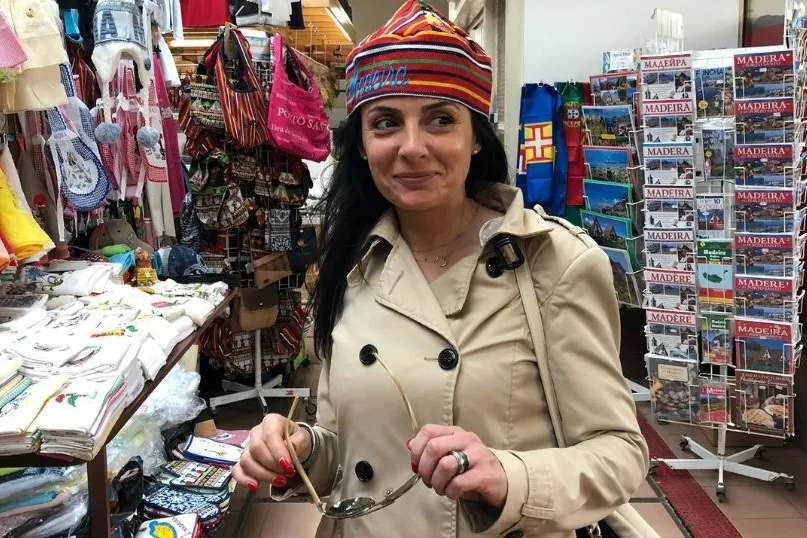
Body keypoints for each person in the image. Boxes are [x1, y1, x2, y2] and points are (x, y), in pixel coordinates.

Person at [232, 1, 650, 536]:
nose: (411, 148)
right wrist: (302, 449)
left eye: (439, 119)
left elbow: (618, 453)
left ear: (476, 135)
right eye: (386, 122)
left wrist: (509, 476)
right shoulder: (351, 264)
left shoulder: (554, 264)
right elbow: (350, 457)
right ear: (361, 143)